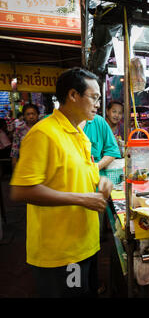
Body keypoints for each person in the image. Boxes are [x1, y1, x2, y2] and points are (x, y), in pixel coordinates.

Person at [9, 67, 113, 298]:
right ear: (73, 95)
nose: (98, 104)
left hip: (84, 243)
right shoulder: (43, 134)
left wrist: (101, 183)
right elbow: (21, 190)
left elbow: (76, 176)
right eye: (94, 97)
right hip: (62, 252)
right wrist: (80, 199)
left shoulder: (79, 135)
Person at [10, 104, 40, 169]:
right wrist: (14, 165)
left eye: (33, 114)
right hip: (25, 164)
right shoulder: (19, 130)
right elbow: (15, 149)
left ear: (37, 115)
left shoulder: (43, 128)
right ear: (24, 116)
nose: (31, 116)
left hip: (41, 162)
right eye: (28, 114)